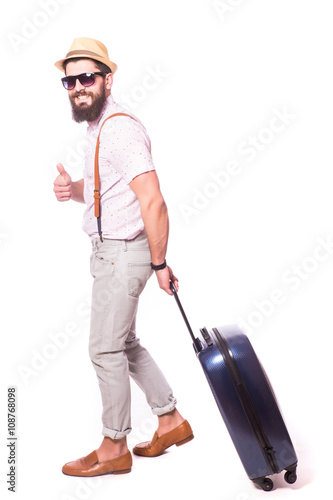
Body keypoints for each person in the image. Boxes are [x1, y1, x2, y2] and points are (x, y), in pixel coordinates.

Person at [53, 38, 193, 477]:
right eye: (70, 79)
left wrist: (159, 264)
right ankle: (170, 420)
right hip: (112, 253)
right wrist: (70, 190)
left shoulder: (118, 128)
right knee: (125, 343)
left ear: (107, 79)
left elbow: (153, 201)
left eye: (87, 77)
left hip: (123, 256)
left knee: (104, 348)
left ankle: (114, 445)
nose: (78, 86)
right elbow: (106, 191)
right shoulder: (98, 127)